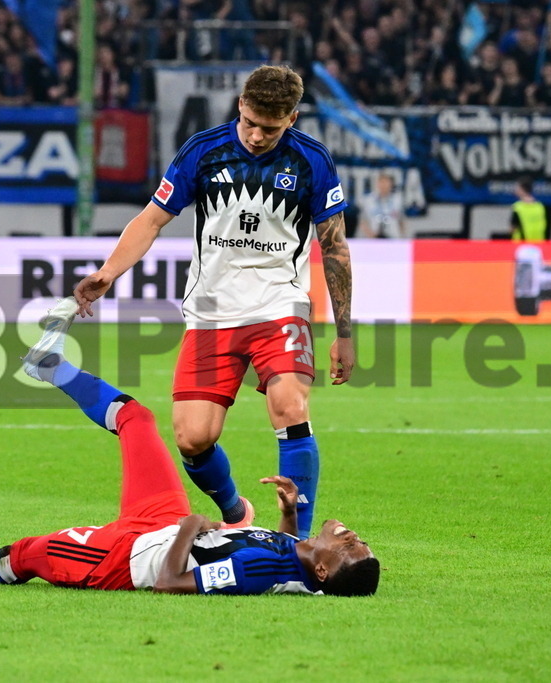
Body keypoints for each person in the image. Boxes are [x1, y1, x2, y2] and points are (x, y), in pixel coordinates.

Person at [0, 298, 380, 596]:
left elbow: (170, 583)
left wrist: (191, 526)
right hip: (163, 521)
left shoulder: (260, 571)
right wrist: (291, 512)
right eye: (356, 541)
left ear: (324, 567)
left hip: (126, 557)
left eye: (349, 547)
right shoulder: (300, 560)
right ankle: (52, 368)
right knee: (137, 419)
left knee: (30, 554)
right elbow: (294, 556)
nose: (351, 536)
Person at [74, 65, 354, 540]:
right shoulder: (203, 151)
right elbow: (150, 221)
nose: (258, 136)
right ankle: (234, 510)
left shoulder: (312, 160)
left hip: (278, 304)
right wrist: (108, 272)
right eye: (250, 123)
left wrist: (344, 333)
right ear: (240, 105)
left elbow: (335, 246)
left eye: (271, 127)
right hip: (211, 313)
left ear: (292, 118)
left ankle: (297, 544)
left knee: (290, 405)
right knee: (193, 438)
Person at [359, 173, 406, 239]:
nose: (384, 185)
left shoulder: (397, 200)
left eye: (386, 182)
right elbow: (363, 221)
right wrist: (370, 235)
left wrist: (402, 237)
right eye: (381, 182)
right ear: (377, 183)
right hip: (374, 239)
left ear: (391, 184)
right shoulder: (369, 201)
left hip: (394, 239)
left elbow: (402, 221)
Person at [510, 176, 547, 242]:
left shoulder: (517, 207)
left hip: (522, 244)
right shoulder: (540, 207)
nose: (515, 190)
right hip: (538, 243)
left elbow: (513, 228)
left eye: (517, 188)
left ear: (522, 189)